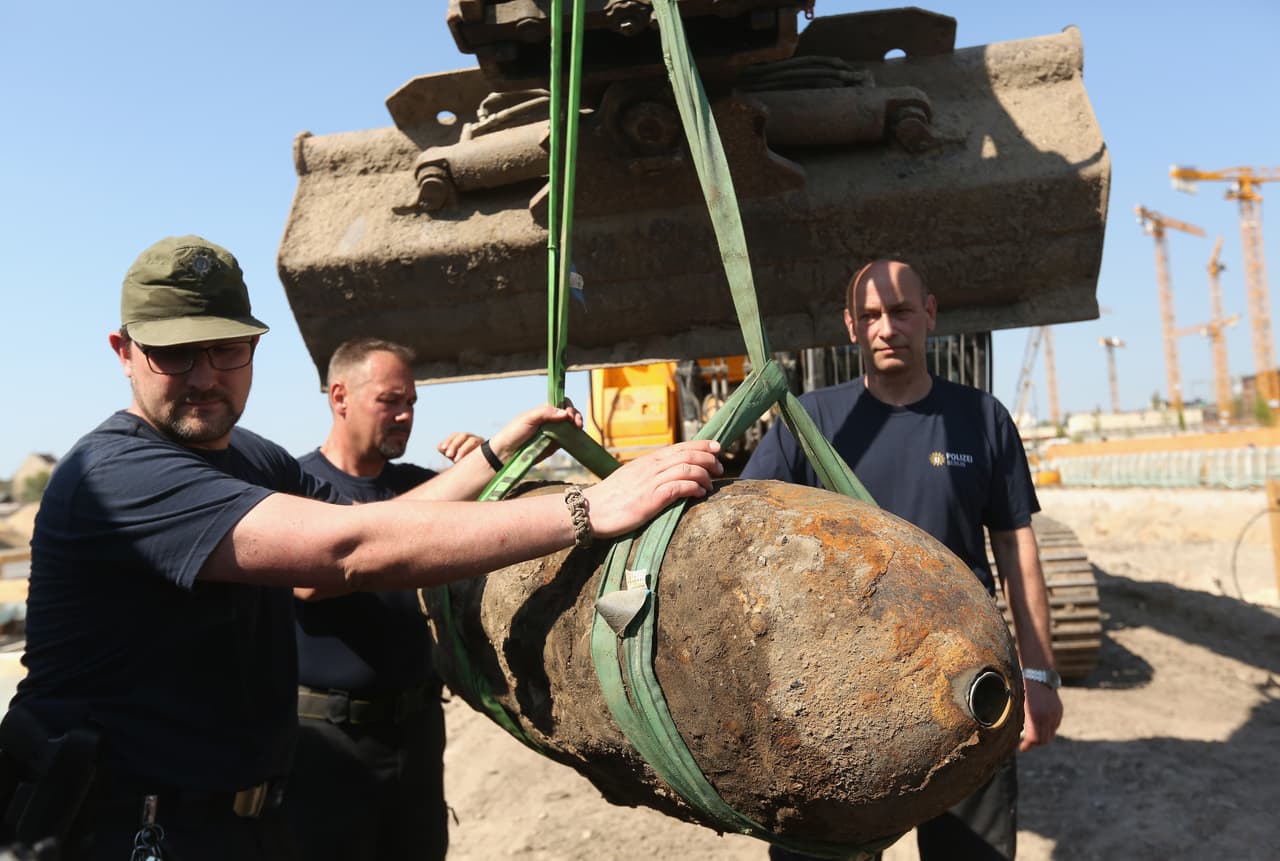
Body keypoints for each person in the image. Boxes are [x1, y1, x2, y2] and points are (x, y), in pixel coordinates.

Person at [9, 235, 722, 861]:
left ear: (254, 347)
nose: (203, 375)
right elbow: (346, 550)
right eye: (174, 353)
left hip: (244, 821)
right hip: (132, 830)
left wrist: (495, 453)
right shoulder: (116, 475)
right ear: (123, 351)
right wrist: (585, 507)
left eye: (223, 349)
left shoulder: (250, 458)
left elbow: (389, 521)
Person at [741, 259, 1063, 861]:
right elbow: (746, 529)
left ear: (930, 314)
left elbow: (1017, 547)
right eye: (870, 315)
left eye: (901, 311)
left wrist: (1040, 674)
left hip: (970, 686)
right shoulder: (808, 423)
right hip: (836, 699)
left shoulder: (982, 418)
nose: (887, 327)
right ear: (851, 326)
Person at [283, 337, 491, 861]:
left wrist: (481, 471)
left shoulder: (420, 486)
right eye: (389, 401)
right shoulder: (294, 488)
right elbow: (309, 577)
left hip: (416, 735)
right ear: (340, 397)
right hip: (324, 746)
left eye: (412, 404)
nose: (404, 416)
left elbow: (495, 530)